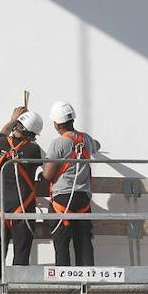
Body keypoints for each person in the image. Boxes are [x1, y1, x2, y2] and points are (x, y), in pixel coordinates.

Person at [0, 106, 45, 267]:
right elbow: (48, 170)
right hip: (23, 210)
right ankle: (17, 286)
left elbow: (3, 131)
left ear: (17, 125)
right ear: (32, 134)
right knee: (21, 252)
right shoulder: (34, 150)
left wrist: (13, 119)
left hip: (1, 209)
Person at [41, 100, 98, 266]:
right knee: (84, 242)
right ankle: (87, 281)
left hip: (62, 200)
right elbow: (97, 145)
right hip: (83, 200)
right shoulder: (85, 139)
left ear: (56, 124)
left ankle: (64, 283)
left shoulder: (59, 143)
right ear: (72, 119)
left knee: (62, 244)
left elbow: (47, 174)